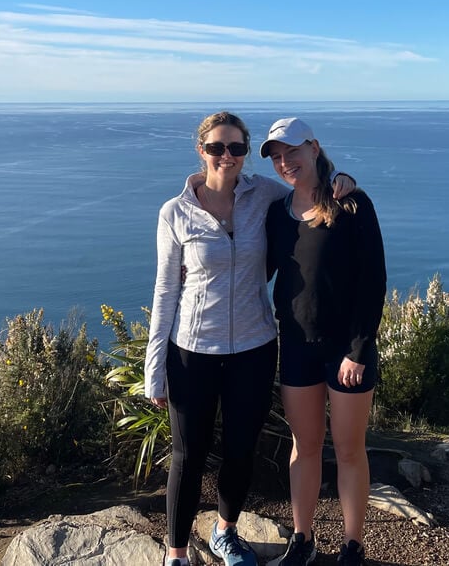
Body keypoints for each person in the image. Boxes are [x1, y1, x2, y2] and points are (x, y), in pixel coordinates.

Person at [145, 112, 355, 566]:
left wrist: (340, 176)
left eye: (237, 148)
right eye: (218, 148)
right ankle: (176, 553)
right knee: (189, 455)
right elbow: (165, 290)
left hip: (256, 348)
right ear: (200, 151)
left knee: (242, 449)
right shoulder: (175, 212)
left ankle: (225, 532)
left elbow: (309, 192)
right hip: (192, 351)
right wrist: (154, 368)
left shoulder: (265, 195)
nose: (228, 157)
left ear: (245, 152)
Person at [261, 118, 387, 566]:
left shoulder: (352, 204)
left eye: (292, 151)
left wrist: (357, 350)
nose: (284, 162)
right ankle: (303, 539)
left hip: (347, 350)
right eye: (277, 156)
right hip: (296, 345)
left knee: (350, 450)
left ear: (313, 147)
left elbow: (373, 282)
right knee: (305, 445)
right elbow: (254, 268)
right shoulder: (277, 212)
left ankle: (352, 545)